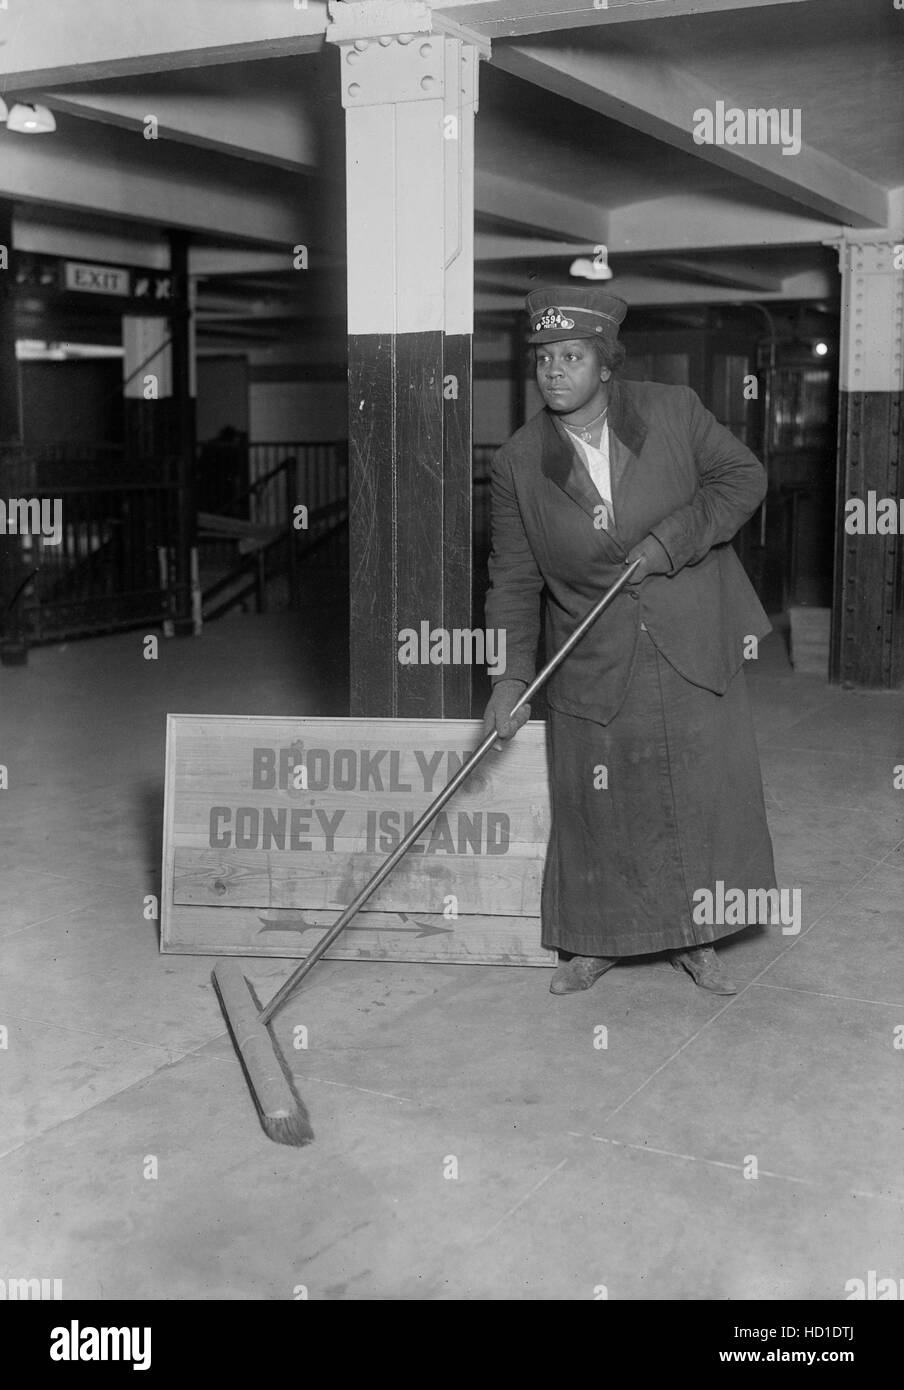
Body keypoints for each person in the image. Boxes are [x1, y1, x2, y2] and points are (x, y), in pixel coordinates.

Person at [482, 287, 777, 996]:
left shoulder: (671, 411)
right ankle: (598, 942)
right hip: (593, 652)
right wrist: (507, 678)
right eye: (544, 358)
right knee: (602, 805)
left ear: (606, 364)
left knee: (697, 794)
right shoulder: (519, 463)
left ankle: (698, 939)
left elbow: (744, 478)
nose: (555, 371)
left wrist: (671, 539)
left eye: (572, 356)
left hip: (691, 633)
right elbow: (513, 581)